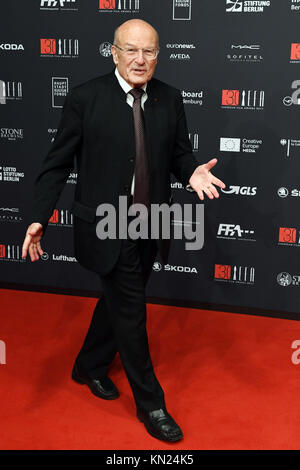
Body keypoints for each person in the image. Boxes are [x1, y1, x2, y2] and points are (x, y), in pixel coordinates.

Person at [22, 19, 225, 442]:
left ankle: (89, 366)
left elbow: (180, 155)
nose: (140, 59)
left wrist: (192, 175)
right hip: (105, 225)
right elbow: (57, 162)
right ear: (113, 52)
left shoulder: (170, 98)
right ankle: (152, 404)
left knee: (118, 299)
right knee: (131, 313)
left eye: (148, 52)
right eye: (130, 50)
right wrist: (40, 216)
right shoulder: (85, 98)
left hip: (150, 223)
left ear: (157, 56)